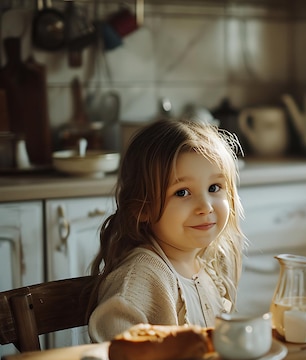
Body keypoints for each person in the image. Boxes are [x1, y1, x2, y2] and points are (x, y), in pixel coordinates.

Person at [88, 119, 245, 342]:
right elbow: (114, 349)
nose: (206, 207)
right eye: (182, 192)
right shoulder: (142, 276)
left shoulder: (206, 269)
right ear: (142, 208)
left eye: (214, 188)